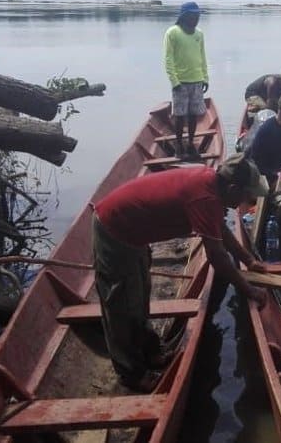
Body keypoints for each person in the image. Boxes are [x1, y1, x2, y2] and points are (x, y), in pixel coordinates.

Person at [90, 153, 268, 391]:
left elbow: (220, 229)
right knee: (122, 305)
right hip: (115, 229)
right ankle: (131, 374)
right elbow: (217, 257)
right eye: (247, 194)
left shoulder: (212, 186)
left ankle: (151, 351)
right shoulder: (205, 197)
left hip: (135, 233)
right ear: (233, 187)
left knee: (140, 294)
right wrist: (249, 290)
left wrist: (248, 259)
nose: (248, 200)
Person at [164, 1, 209, 160]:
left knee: (194, 115)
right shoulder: (172, 32)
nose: (196, 19)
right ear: (185, 16)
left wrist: (205, 78)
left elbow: (202, 57)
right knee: (180, 115)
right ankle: (179, 145)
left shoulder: (199, 34)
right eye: (193, 16)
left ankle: (190, 144)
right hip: (180, 82)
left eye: (198, 16)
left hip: (197, 80)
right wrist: (174, 81)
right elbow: (168, 60)